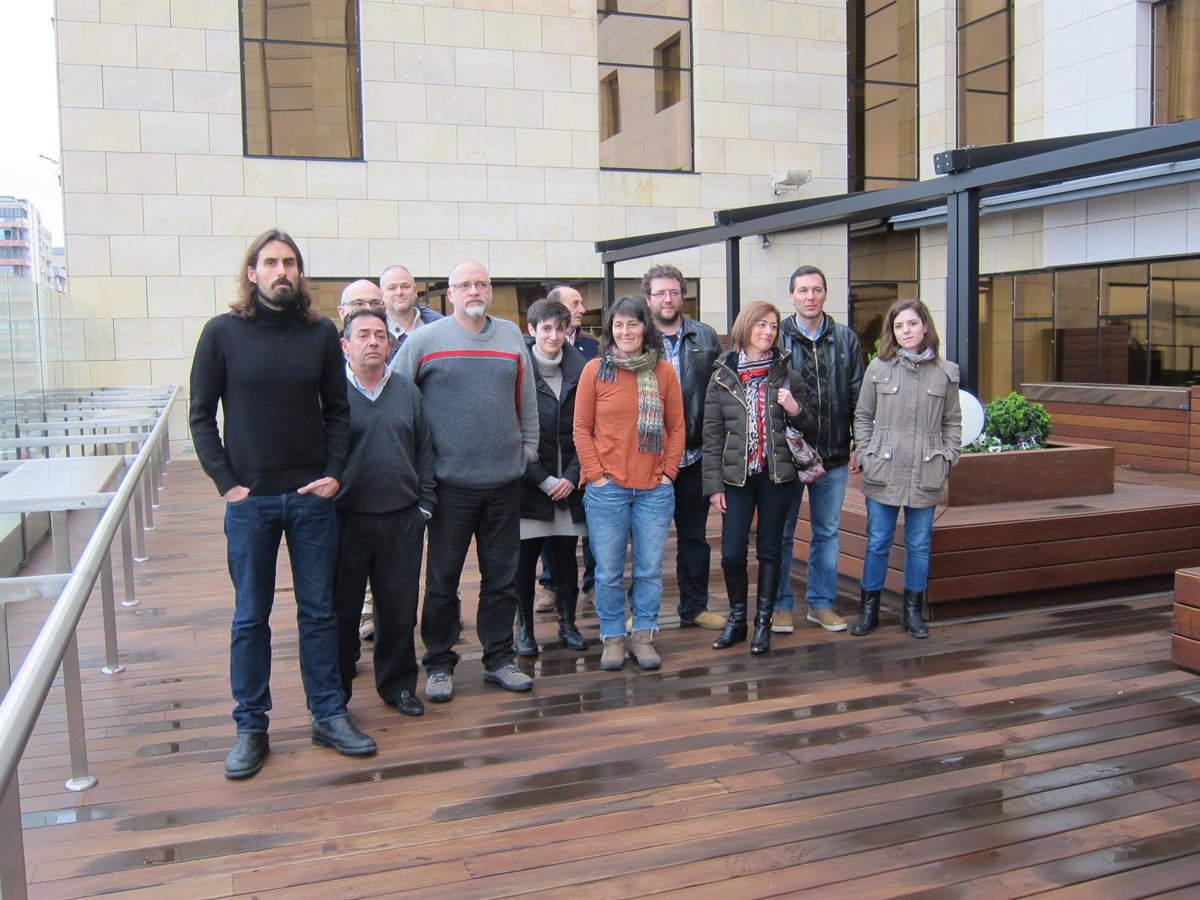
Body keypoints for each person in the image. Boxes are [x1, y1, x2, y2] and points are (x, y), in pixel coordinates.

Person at [189, 229, 376, 780]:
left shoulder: (318, 334)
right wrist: (227, 483)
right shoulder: (221, 333)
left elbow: (338, 411)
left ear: (299, 272)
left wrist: (334, 473)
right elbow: (200, 415)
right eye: (270, 262)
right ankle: (251, 727)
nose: (281, 271)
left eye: (289, 262)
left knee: (319, 613)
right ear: (252, 273)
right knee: (251, 617)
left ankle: (328, 715)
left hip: (311, 499)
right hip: (251, 502)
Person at [391, 260, 538, 702]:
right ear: (450, 293)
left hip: (504, 482)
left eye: (482, 284)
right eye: (465, 285)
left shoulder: (511, 336)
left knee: (502, 579)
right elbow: (396, 396)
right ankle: (439, 662)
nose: (474, 291)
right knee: (442, 581)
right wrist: (414, 464)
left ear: (489, 290)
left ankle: (499, 658)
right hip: (449, 485)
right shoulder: (425, 340)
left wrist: (528, 449)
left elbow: (526, 397)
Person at [333, 308, 436, 717]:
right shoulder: (332, 394)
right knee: (341, 611)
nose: (373, 342)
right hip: (345, 519)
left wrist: (424, 505)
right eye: (363, 335)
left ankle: (398, 686)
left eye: (380, 335)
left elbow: (424, 448)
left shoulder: (406, 391)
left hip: (401, 518)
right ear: (346, 345)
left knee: (398, 611)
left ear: (391, 345)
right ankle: (336, 693)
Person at [574, 296, 685, 671]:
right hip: (608, 491)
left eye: (633, 324)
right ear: (610, 330)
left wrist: (668, 474)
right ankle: (612, 637)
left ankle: (643, 635)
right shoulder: (595, 371)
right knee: (607, 572)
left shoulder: (663, 372)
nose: (625, 331)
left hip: (654, 490)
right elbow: (581, 430)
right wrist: (597, 476)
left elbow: (677, 428)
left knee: (648, 570)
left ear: (645, 328)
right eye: (618, 325)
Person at [703, 301, 815, 654]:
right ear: (746, 327)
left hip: (777, 476)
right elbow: (712, 435)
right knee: (732, 554)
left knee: (770, 549)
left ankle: (762, 623)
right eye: (761, 324)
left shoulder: (788, 376)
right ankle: (737, 620)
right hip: (736, 478)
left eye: (773, 326)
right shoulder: (722, 376)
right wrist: (713, 486)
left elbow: (811, 425)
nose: (768, 331)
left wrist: (794, 408)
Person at [852, 299, 962, 639]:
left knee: (918, 544)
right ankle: (868, 610)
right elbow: (863, 416)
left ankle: (912, 612)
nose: (906, 331)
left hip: (926, 470)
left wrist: (948, 457)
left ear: (925, 326)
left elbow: (952, 422)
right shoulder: (878, 368)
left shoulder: (946, 372)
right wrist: (865, 454)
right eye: (899, 326)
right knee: (878, 542)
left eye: (912, 324)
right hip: (883, 469)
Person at [774, 265, 864, 635]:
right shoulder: (777, 337)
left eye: (816, 290)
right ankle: (780, 606)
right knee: (781, 533)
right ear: (791, 295)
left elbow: (859, 395)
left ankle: (821, 603)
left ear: (825, 293)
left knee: (827, 532)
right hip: (788, 455)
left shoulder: (845, 339)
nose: (810, 297)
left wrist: (859, 441)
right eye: (803, 290)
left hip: (834, 452)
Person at [643, 264, 724, 630]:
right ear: (648, 298)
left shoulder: (705, 336)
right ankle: (642, 612)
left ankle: (694, 607)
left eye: (674, 292)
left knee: (694, 538)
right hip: (649, 458)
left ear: (683, 296)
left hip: (694, 455)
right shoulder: (637, 335)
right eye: (660, 292)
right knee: (647, 543)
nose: (668, 299)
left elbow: (720, 395)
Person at [514, 298, 589, 656]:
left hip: (569, 485)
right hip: (529, 485)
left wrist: (572, 476)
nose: (554, 336)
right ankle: (524, 630)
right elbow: (511, 433)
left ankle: (568, 624)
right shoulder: (517, 370)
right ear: (531, 330)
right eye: (546, 328)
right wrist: (542, 479)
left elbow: (590, 428)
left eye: (561, 328)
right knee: (524, 562)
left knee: (565, 558)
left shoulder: (582, 370)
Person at [335, 279, 390, 644]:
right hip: (344, 507)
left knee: (395, 598)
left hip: (396, 508)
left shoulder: (403, 387)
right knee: (343, 593)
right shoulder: (330, 381)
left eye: (374, 303)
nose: (372, 341)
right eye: (358, 304)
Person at [381, 263, 443, 360]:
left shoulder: (439, 327)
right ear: (382, 295)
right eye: (392, 288)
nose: (399, 292)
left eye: (405, 286)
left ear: (415, 291)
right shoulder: (375, 334)